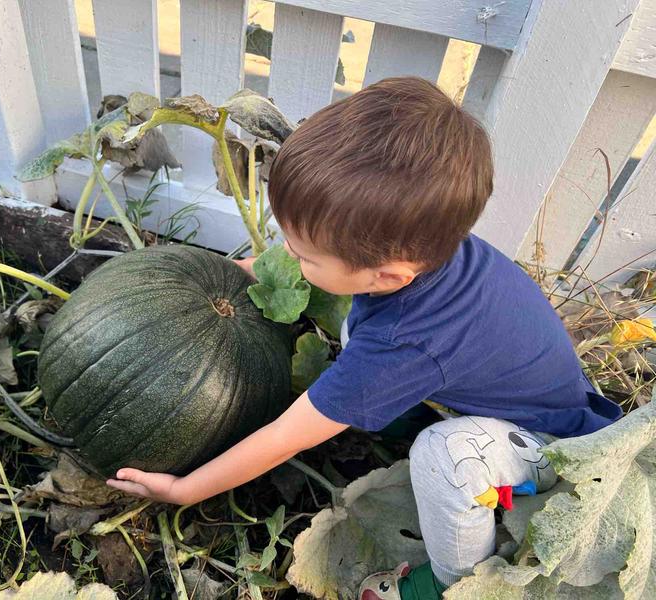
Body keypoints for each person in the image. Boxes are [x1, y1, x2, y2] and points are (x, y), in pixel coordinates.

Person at [105, 77, 622, 599]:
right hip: (509, 389)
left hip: (555, 450)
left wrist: (185, 488)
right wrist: (213, 278)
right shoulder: (422, 244)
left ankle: (452, 582)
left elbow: (286, 437)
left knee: (445, 456)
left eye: (305, 254)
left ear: (388, 277)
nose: (288, 252)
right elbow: (286, 263)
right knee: (362, 349)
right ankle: (411, 415)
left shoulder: (404, 342)